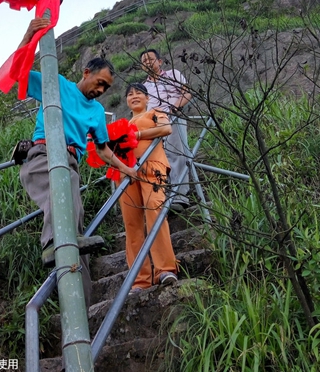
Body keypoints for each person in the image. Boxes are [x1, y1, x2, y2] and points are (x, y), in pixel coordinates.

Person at [18, 17, 138, 306]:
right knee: (65, 202)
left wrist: (126, 169)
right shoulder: (56, 84)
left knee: (76, 222)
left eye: (106, 89)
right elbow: (17, 76)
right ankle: (51, 245)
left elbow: (104, 149)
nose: (101, 91)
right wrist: (29, 36)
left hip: (70, 162)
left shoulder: (96, 112)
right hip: (42, 156)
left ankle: (82, 304)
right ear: (86, 72)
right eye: (100, 83)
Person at [119, 82, 178, 293]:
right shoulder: (122, 123)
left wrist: (139, 135)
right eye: (130, 93)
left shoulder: (155, 112)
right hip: (127, 175)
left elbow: (166, 128)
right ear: (126, 101)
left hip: (154, 168)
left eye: (138, 93)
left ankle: (164, 269)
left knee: (155, 212)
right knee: (132, 224)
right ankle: (139, 279)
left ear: (146, 98)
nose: (134, 96)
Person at [140, 49, 192, 211]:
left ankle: (180, 196)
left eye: (150, 59)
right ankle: (161, 197)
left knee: (176, 152)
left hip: (172, 118)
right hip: (152, 125)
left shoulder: (172, 75)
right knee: (154, 160)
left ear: (160, 61)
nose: (147, 62)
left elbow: (187, 93)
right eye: (144, 61)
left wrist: (173, 109)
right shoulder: (143, 87)